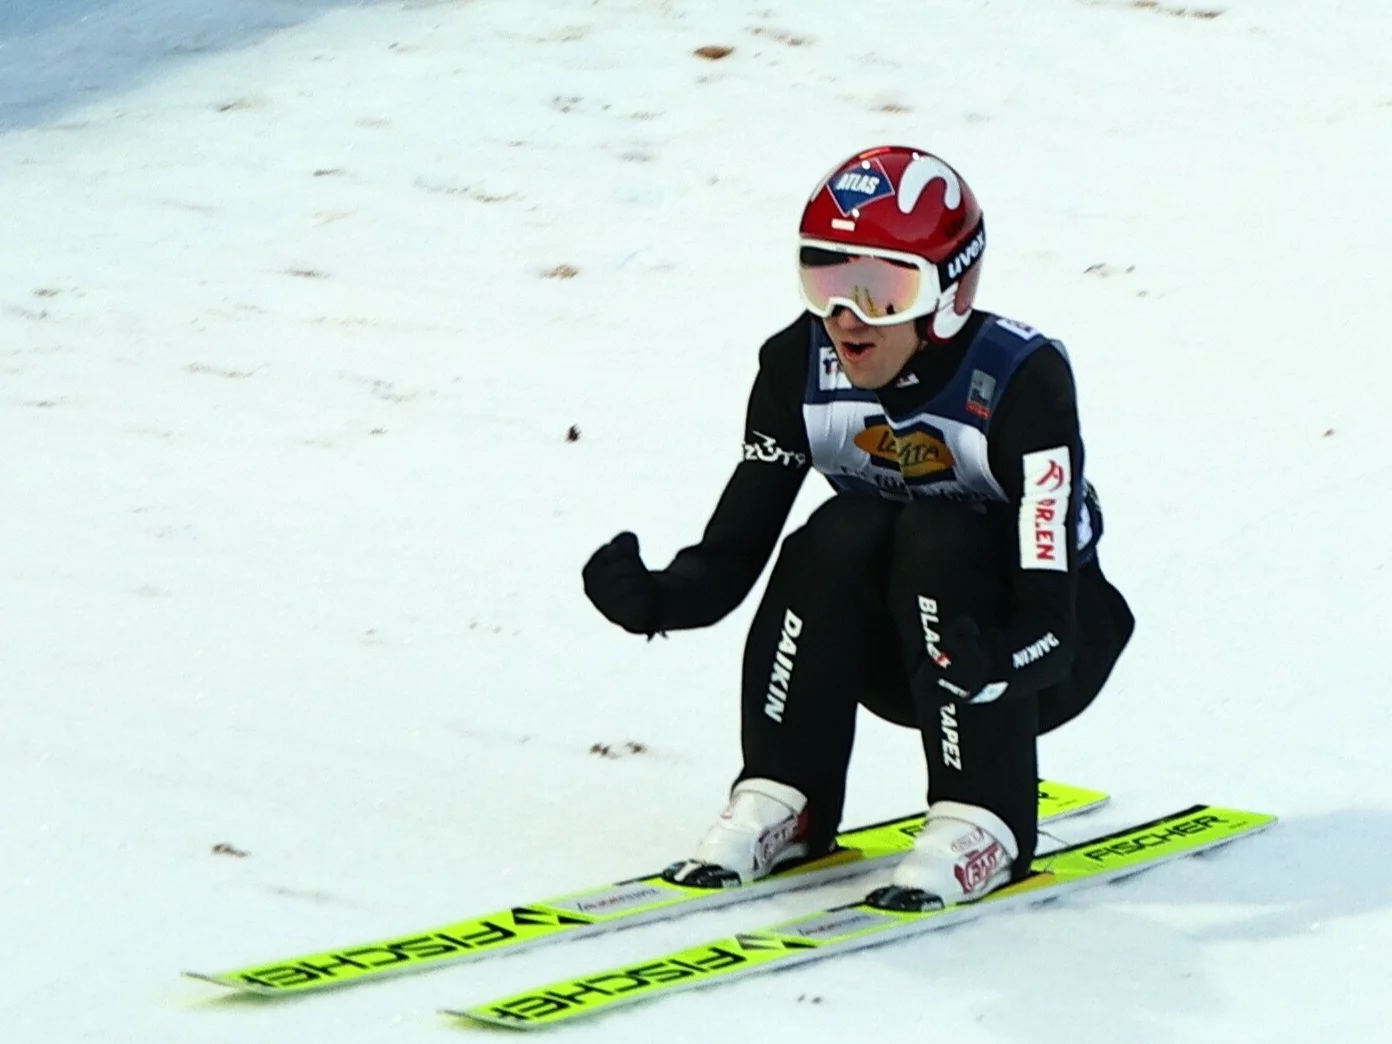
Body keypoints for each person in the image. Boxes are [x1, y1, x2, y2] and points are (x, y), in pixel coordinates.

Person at [581, 145, 1135, 911]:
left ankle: (986, 817)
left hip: (1035, 652)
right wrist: (659, 599)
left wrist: (996, 662)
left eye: (881, 290)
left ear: (949, 291)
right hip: (902, 653)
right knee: (840, 529)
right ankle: (788, 793)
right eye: (827, 282)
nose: (847, 318)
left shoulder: (1020, 383)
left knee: (943, 533)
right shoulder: (795, 367)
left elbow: (1054, 621)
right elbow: (736, 550)